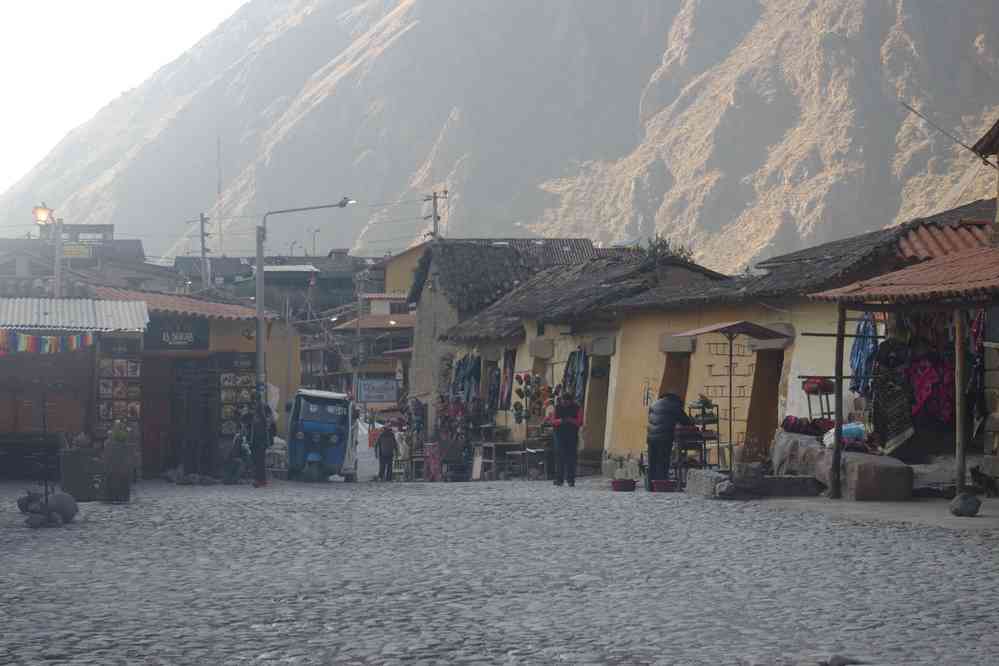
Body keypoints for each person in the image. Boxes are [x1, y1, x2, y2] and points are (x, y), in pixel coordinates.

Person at [646, 393, 692, 490]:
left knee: (652, 462)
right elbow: (686, 421)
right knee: (663, 461)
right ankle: (662, 485)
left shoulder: (654, 404)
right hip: (664, 437)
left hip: (651, 438)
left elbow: (653, 419)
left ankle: (650, 486)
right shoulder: (674, 405)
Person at [552, 391, 583, 487]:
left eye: (566, 401)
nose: (564, 403)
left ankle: (570, 479)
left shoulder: (577, 408)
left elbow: (580, 422)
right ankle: (559, 479)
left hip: (572, 435)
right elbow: (553, 421)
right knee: (560, 457)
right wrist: (560, 421)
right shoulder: (557, 408)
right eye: (563, 401)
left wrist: (570, 420)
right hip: (559, 435)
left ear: (570, 401)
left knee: (571, 457)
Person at [250, 401, 276, 488]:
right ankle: (261, 480)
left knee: (259, 461)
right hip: (259, 442)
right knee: (259, 461)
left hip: (259, 442)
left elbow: (260, 431)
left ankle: (259, 480)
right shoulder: (261, 415)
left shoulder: (260, 415)